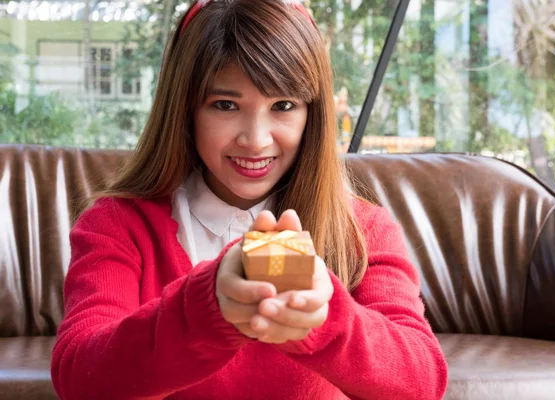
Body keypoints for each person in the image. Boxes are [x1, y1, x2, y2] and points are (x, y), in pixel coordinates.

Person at [51, 0, 448, 399]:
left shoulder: (363, 229)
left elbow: (422, 381)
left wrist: (324, 319)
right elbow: (78, 377)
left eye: (283, 106)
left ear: (313, 114)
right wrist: (207, 309)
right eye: (226, 105)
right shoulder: (117, 224)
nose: (256, 140)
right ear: (185, 109)